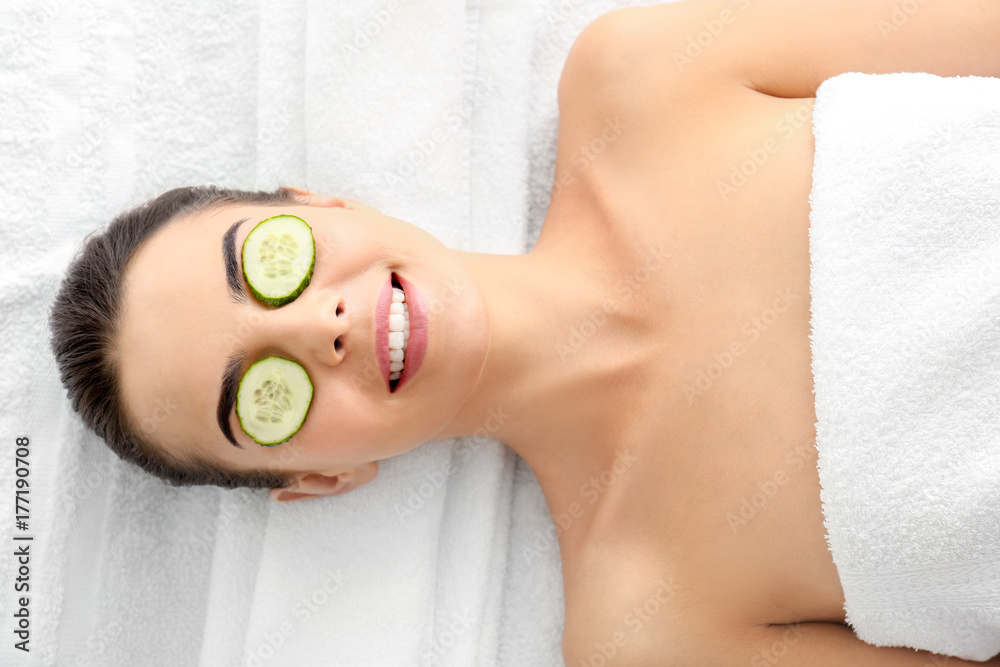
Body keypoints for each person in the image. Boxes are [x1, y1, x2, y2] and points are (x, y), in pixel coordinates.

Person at [48, 0, 1000, 664]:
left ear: (318, 201)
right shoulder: (641, 624)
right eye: (263, 397)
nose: (315, 327)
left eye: (269, 262)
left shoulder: (641, 78)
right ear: (314, 479)